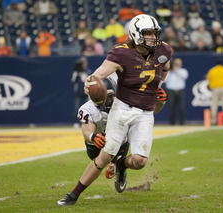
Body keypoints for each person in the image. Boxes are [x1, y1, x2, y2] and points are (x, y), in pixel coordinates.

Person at [56, 14, 171, 206]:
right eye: (147, 33)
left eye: (154, 33)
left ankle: (121, 164)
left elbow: (165, 67)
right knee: (106, 154)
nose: (152, 37)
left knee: (140, 161)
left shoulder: (164, 50)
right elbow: (100, 73)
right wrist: (91, 80)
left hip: (145, 111)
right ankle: (74, 194)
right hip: (123, 107)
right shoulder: (121, 52)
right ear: (135, 34)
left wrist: (158, 84)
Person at [57, 76, 130, 207]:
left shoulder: (124, 105)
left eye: (109, 96)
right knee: (98, 160)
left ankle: (119, 165)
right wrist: (93, 137)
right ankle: (118, 163)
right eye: (101, 95)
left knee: (112, 158)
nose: (106, 100)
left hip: (120, 139)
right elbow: (86, 132)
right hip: (97, 141)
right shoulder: (88, 109)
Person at [164, 58, 188, 125]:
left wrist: (176, 70)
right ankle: (172, 123)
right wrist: (170, 70)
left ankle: (182, 123)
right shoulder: (169, 72)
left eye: (178, 63)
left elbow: (185, 76)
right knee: (171, 108)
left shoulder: (183, 71)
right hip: (171, 91)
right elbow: (165, 80)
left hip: (180, 91)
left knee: (181, 108)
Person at [71, 59, 89, 127]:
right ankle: (75, 123)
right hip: (78, 93)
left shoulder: (86, 71)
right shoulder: (76, 72)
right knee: (76, 108)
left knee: (87, 108)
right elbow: (72, 80)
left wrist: (82, 73)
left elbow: (85, 80)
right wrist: (77, 73)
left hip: (85, 92)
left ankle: (86, 122)